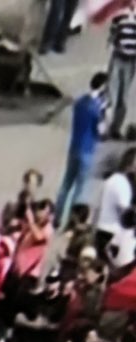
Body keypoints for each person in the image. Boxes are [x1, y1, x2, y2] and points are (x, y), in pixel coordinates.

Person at [54, 73, 108, 228]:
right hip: (87, 150)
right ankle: (72, 221)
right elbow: (101, 131)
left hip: (74, 146)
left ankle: (57, 217)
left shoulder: (79, 102)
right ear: (103, 87)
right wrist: (104, 114)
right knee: (80, 188)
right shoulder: (97, 108)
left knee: (66, 183)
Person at [108, 0, 136, 139]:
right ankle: (106, 126)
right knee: (112, 93)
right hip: (119, 58)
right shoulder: (119, 16)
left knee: (122, 97)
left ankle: (115, 128)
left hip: (130, 61)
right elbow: (113, 35)